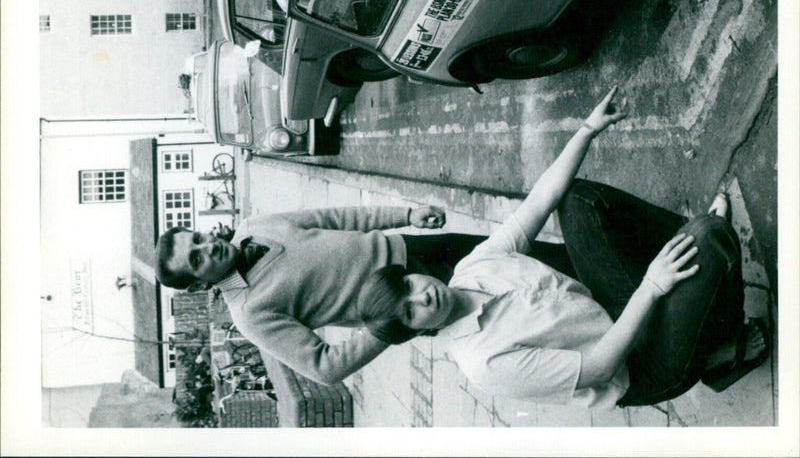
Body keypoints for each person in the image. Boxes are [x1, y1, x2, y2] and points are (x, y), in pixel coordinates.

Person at [357, 87, 769, 409]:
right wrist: (652, 285)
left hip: (607, 307)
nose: (423, 294)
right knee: (713, 240)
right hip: (636, 366)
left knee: (578, 201)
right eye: (411, 311)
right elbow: (599, 366)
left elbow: (540, 201)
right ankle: (724, 346)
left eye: (409, 285)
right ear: (418, 331)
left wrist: (587, 130)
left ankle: (689, 250)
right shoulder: (483, 363)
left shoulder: (471, 268)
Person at [155, 203, 489, 384]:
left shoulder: (254, 226)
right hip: (421, 304)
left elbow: (337, 217)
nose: (208, 246)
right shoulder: (250, 313)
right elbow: (323, 367)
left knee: (527, 254)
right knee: (510, 306)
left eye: (198, 238)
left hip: (418, 248)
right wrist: (394, 321)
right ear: (199, 284)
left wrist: (405, 215)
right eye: (197, 258)